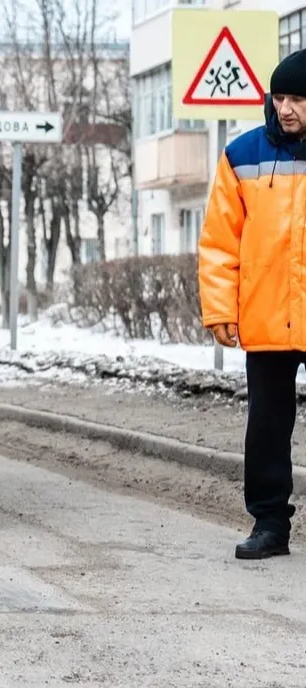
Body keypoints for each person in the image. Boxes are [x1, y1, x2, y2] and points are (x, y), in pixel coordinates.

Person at [199, 49, 306, 560]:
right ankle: (269, 525)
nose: (286, 108)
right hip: (266, 319)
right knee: (266, 427)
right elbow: (220, 242)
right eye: (280, 97)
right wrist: (220, 308)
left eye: (298, 99)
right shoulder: (241, 155)